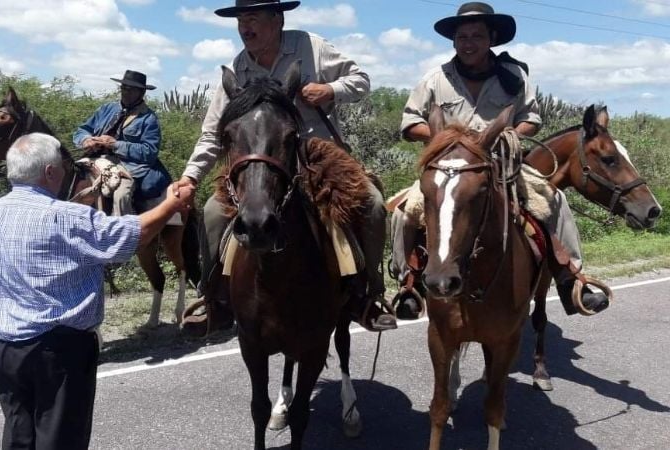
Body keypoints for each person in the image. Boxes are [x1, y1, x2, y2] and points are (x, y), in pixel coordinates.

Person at [0, 133, 194, 449]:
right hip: (60, 350)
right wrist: (170, 205)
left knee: (19, 433)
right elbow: (130, 235)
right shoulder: (67, 216)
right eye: (62, 168)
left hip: (5, 349)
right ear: (50, 172)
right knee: (61, 438)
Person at [178, 0, 397, 335]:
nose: (244, 28)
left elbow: (361, 80)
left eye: (252, 18)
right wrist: (190, 177)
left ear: (277, 19)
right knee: (211, 213)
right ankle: (214, 300)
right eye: (240, 20)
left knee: (372, 203)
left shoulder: (312, 47)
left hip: (319, 156)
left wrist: (330, 90)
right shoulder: (239, 68)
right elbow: (213, 133)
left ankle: (369, 294)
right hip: (261, 163)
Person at [392, 1, 609, 318]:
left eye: (476, 36)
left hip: (504, 165)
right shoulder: (434, 80)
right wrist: (448, 140)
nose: (469, 43)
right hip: (450, 170)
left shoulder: (514, 76)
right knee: (403, 211)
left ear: (491, 38)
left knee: (556, 200)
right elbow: (409, 123)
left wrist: (511, 134)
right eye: (462, 37)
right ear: (454, 41)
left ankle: (571, 281)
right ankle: (407, 285)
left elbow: (531, 118)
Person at [73, 70, 174, 219]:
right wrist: (85, 140)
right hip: (95, 159)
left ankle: (126, 235)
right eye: (124, 88)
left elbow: (149, 151)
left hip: (128, 166)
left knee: (121, 194)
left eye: (131, 89)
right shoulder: (106, 109)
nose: (126, 92)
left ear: (141, 93)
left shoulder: (148, 118)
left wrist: (115, 145)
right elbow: (83, 129)